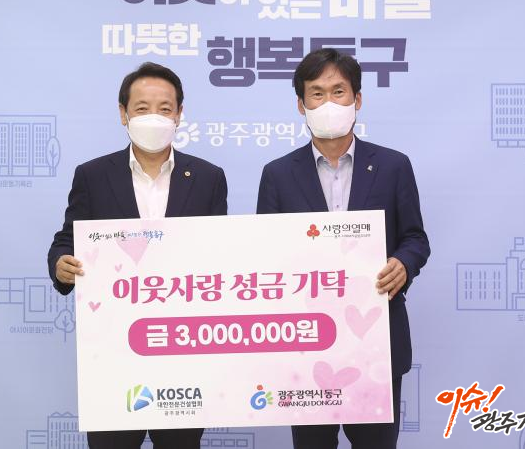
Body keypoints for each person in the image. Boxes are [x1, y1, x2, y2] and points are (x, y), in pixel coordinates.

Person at [47, 62, 227, 449]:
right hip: (114, 350)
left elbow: (218, 252)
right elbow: (68, 240)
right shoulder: (93, 175)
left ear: (179, 114)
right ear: (123, 113)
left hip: (183, 349)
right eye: (142, 108)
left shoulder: (209, 177)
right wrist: (61, 264)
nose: (154, 117)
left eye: (165, 108)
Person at [256, 48, 430, 449]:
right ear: (301, 104)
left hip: (376, 340)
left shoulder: (393, 166)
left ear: (358, 99)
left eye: (339, 91)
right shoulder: (278, 174)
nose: (329, 103)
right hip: (307, 344)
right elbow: (265, 253)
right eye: (317, 94)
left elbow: (415, 238)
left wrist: (403, 264)